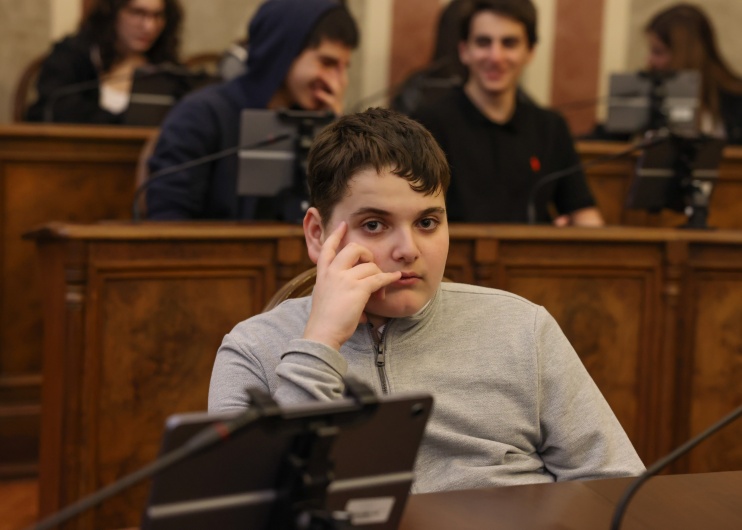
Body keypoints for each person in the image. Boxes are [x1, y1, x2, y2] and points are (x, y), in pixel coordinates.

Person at [208, 107, 644, 493]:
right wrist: (321, 343)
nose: (409, 250)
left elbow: (616, 486)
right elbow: (243, 511)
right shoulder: (252, 351)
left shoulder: (523, 328)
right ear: (318, 235)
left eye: (428, 222)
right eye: (375, 225)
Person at [145, 0, 359, 221]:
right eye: (327, 63)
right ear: (283, 52)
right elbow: (167, 218)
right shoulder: (200, 114)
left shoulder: (315, 120)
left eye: (344, 68)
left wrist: (334, 134)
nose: (339, 83)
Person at [412, 0, 604, 226]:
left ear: (530, 52)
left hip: (531, 249)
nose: (496, 56)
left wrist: (571, 236)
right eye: (484, 42)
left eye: (509, 43)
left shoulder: (551, 127)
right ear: (464, 51)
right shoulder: (427, 125)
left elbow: (585, 215)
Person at [26, 0, 183, 124]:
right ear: (111, 12)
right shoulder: (73, 55)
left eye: (158, 16)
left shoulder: (168, 68)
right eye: (137, 13)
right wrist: (122, 124)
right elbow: (56, 108)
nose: (149, 27)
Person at [645, 3, 742, 144]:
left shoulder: (735, 101)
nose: (650, 60)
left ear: (684, 54)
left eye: (658, 52)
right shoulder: (651, 98)